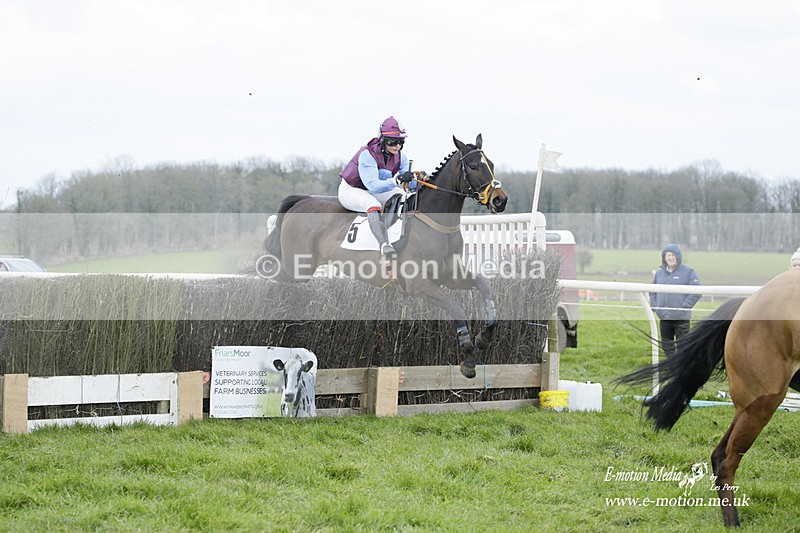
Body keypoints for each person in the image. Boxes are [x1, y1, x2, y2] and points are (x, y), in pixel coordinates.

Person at [338, 116, 417, 259]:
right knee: (372, 204)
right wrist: (396, 180)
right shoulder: (367, 154)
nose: (397, 146)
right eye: (393, 141)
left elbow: (409, 185)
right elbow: (373, 186)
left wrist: (417, 179)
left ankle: (393, 234)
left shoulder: (401, 157)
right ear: (382, 140)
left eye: (401, 142)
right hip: (352, 189)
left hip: (374, 190)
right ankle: (383, 244)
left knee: (401, 195)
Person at [649, 244, 701, 356]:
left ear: (678, 256)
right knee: (667, 348)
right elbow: (651, 291)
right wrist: (655, 306)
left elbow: (697, 291)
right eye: (668, 255)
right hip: (664, 318)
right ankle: (672, 370)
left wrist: (685, 306)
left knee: (683, 349)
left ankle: (683, 371)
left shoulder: (688, 271)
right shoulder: (659, 273)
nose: (671, 258)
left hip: (681, 319)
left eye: (673, 255)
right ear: (664, 257)